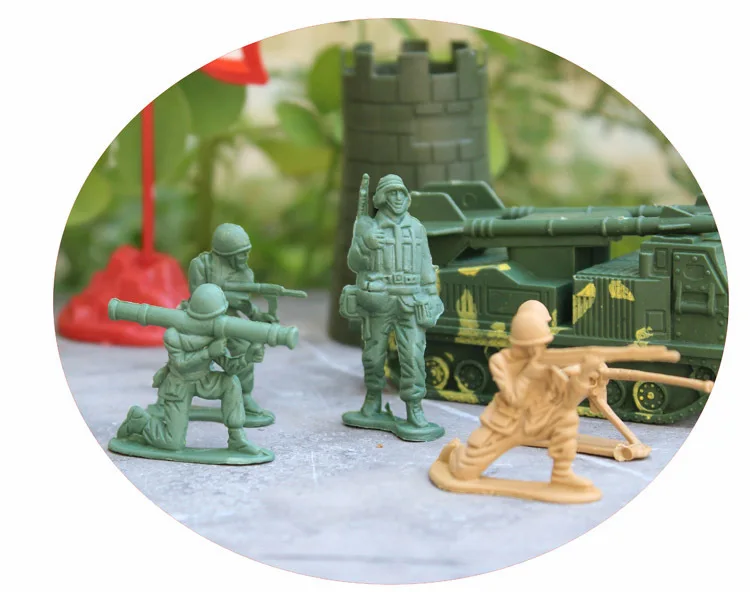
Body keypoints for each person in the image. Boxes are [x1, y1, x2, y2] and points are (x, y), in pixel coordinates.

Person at [439, 306, 600, 488]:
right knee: (464, 473)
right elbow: (514, 400)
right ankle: (455, 453)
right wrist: (528, 375)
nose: (541, 349)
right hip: (507, 422)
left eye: (543, 344)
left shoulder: (544, 362)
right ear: (522, 345)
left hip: (539, 419)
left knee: (567, 418)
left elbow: (568, 402)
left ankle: (561, 474)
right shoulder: (501, 362)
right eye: (536, 345)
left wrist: (583, 376)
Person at [342, 173, 445, 441]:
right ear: (382, 198)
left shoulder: (416, 228)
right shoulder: (369, 227)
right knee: (373, 354)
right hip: (379, 300)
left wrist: (431, 295)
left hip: (411, 299)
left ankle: (414, 409)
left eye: (401, 192)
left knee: (413, 356)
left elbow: (426, 265)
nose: (398, 198)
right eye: (392, 193)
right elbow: (354, 262)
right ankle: (372, 400)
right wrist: (365, 245)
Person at [116, 284, 264, 456]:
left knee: (231, 383)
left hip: (204, 379)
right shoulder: (174, 335)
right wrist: (208, 352)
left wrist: (247, 357)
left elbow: (229, 368)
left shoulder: (215, 332)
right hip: (179, 383)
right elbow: (180, 364)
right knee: (172, 444)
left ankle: (237, 438)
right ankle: (139, 421)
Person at [187, 223, 274, 424]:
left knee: (245, 347)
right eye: (240, 254)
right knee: (186, 353)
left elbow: (244, 304)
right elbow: (197, 295)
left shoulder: (245, 273)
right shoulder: (202, 265)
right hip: (201, 319)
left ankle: (244, 395)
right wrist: (224, 298)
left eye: (246, 252)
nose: (245, 258)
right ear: (225, 253)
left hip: (229, 320)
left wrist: (258, 315)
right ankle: (176, 394)